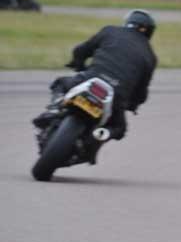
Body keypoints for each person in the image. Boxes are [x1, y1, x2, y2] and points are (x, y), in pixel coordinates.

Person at [33, 10, 158, 161]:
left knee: (60, 83)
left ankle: (53, 110)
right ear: (150, 32)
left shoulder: (110, 31)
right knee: (119, 129)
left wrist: (77, 63)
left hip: (91, 80)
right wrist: (133, 104)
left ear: (128, 23)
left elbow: (81, 50)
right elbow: (141, 91)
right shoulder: (150, 56)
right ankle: (98, 137)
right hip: (116, 95)